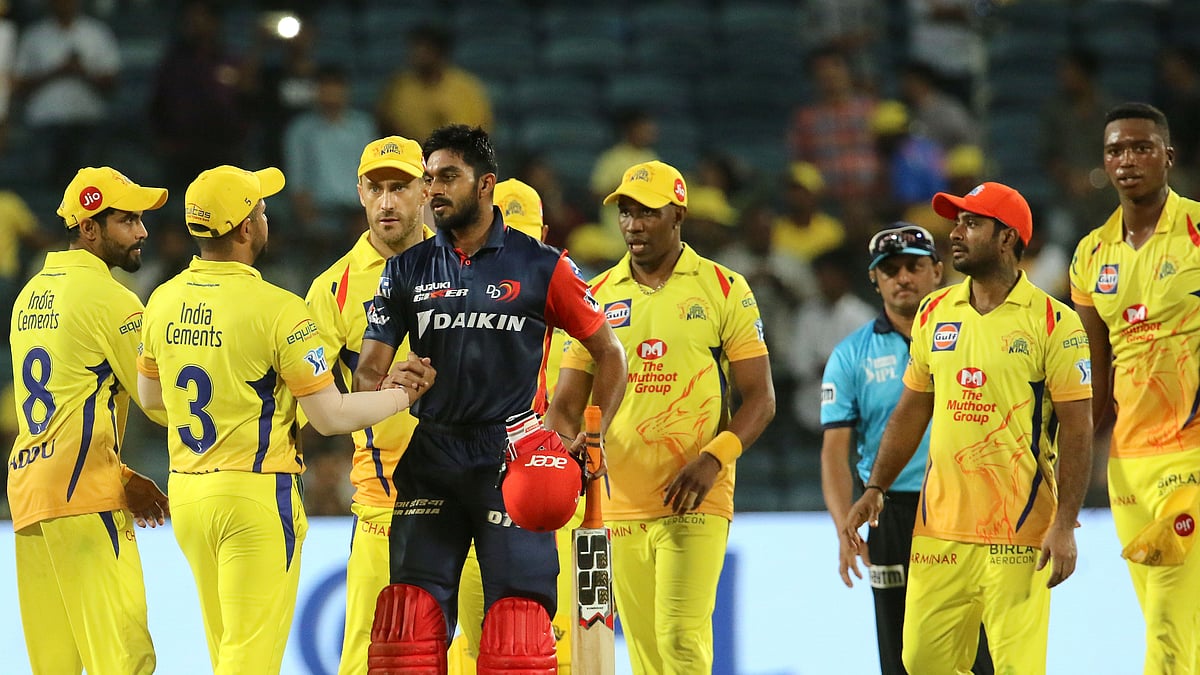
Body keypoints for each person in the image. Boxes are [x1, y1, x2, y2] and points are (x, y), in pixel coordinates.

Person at [136, 164, 433, 675]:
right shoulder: (278, 309)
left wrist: (225, 407)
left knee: (225, 648)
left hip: (187, 491)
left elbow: (152, 397)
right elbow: (329, 415)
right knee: (249, 660)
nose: (266, 216)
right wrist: (402, 396)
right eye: (261, 209)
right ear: (247, 228)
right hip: (254, 495)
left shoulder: (162, 299)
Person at [354, 125, 626, 671]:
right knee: (405, 629)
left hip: (513, 454)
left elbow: (610, 353)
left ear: (486, 185)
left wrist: (588, 435)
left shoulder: (542, 265)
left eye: (448, 177)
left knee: (518, 634)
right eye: (429, 178)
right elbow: (366, 376)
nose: (434, 190)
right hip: (431, 455)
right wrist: (391, 383)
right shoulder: (404, 270)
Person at [840, 182, 1093, 674]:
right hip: (939, 533)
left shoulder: (1054, 322)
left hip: (1018, 532)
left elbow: (1078, 431)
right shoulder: (935, 312)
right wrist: (876, 486)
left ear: (1008, 237)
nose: (955, 233)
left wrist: (1064, 525)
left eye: (971, 223)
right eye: (956, 221)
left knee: (1016, 667)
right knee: (920, 662)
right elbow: (912, 410)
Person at [546, 160, 777, 674]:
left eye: (647, 213)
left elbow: (760, 399)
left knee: (679, 640)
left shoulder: (723, 287)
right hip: (617, 502)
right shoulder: (597, 294)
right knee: (649, 654)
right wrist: (573, 446)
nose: (632, 224)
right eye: (626, 213)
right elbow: (563, 404)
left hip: (695, 494)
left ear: (678, 214)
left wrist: (713, 460)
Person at [8, 166, 171, 674]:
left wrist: (122, 475)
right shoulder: (111, 299)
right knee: (125, 659)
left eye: (141, 219)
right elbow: (160, 401)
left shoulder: (28, 296)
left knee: (56, 666)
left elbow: (63, 406)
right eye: (128, 220)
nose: (142, 231)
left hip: (31, 496)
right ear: (89, 228)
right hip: (84, 497)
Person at [820, 224, 994, 674]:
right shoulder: (850, 355)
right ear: (874, 280)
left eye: (914, 266)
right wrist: (846, 528)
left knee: (979, 645)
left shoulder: (977, 334)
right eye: (890, 269)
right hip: (890, 512)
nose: (903, 278)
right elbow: (834, 452)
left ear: (938, 271)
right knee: (898, 648)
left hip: (967, 503)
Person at [1069, 102, 1200, 674]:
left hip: (1192, 456)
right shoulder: (1091, 254)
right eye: (1115, 150)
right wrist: (1063, 466)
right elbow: (1094, 379)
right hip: (1127, 464)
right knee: (1165, 619)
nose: (1127, 160)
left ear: (1168, 157)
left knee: (1170, 623)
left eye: (1141, 147)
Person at [302, 136, 434, 675]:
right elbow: (315, 406)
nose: (387, 202)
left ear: (425, 192)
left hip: (474, 489)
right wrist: (384, 395)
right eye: (376, 188)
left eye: (399, 187)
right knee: (368, 655)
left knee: (478, 651)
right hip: (385, 502)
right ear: (358, 192)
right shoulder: (331, 289)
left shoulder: (469, 264)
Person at [448, 177, 585, 673]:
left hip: (549, 501)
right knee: (478, 645)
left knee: (553, 649)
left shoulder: (573, 307)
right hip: (476, 495)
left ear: (545, 236)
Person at [11, 0, 119, 185]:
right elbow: (18, 84)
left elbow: (112, 82)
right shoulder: (34, 35)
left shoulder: (96, 32)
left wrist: (81, 71)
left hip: (87, 121)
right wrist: (57, 71)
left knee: (89, 189)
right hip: (45, 122)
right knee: (45, 186)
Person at [376, 24, 492, 142]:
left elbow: (479, 132)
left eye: (425, 49)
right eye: (415, 49)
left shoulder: (467, 89)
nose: (418, 55)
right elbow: (384, 125)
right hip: (409, 156)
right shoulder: (397, 87)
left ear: (440, 53)